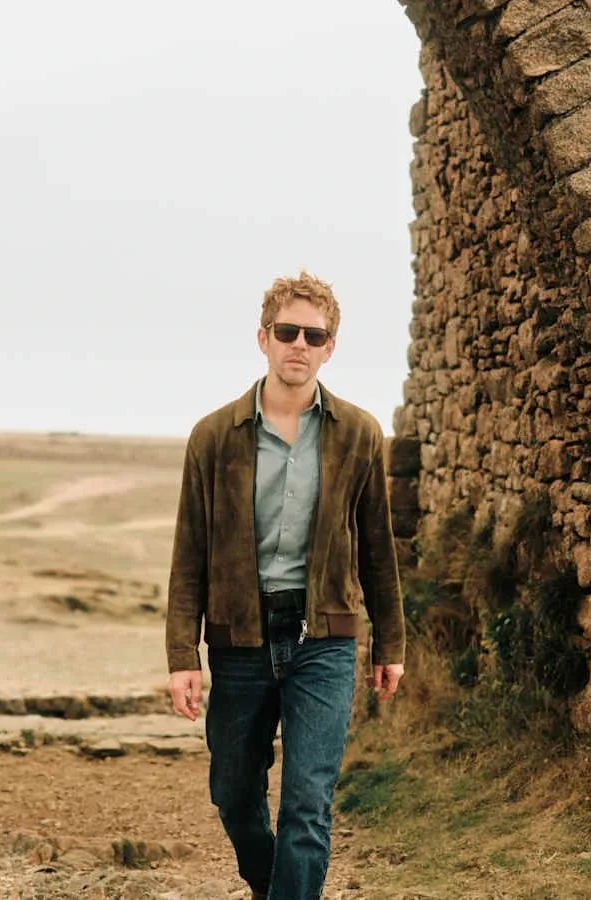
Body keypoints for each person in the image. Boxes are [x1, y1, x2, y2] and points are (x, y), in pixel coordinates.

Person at [164, 271, 405, 900]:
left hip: (325, 637)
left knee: (307, 803)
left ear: (330, 347)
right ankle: (273, 886)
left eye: (314, 334)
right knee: (235, 793)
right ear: (264, 338)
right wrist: (182, 657)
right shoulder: (213, 437)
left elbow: (378, 546)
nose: (299, 344)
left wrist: (391, 645)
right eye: (287, 331)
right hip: (239, 638)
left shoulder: (358, 433)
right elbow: (189, 552)